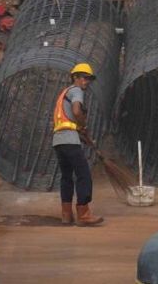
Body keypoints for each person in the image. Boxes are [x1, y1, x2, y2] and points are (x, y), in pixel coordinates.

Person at [53, 63, 104, 226]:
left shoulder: (63, 94)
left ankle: (66, 214)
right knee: (84, 175)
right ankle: (84, 214)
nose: (86, 81)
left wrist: (85, 136)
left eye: (88, 79)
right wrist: (83, 125)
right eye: (84, 77)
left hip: (59, 141)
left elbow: (68, 122)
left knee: (66, 177)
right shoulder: (76, 91)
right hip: (69, 139)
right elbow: (76, 112)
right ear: (75, 78)